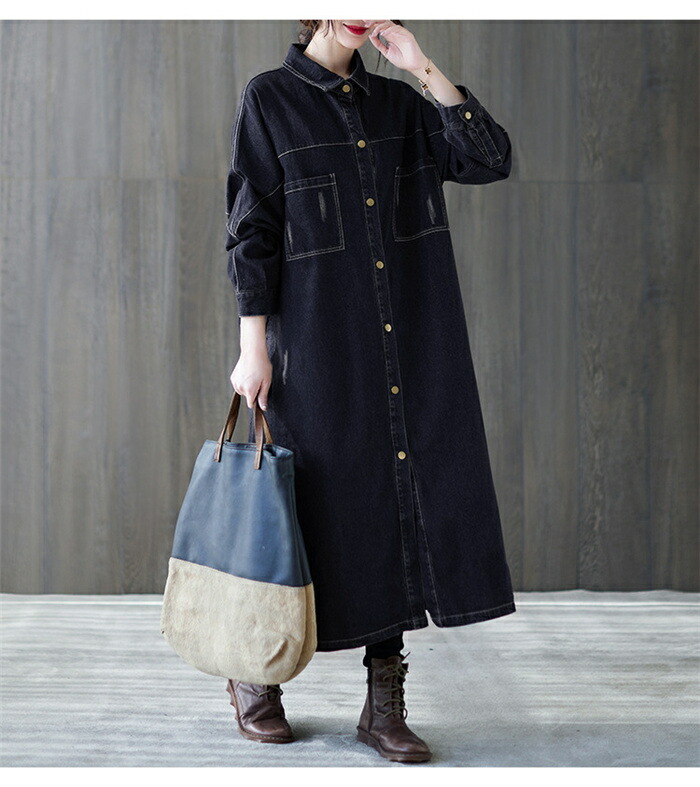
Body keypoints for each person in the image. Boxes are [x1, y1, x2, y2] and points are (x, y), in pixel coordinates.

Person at [224, 20, 516, 764]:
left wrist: (423, 68)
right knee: (297, 507)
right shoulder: (270, 100)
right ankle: (256, 671)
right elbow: (253, 229)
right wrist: (253, 349)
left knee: (395, 499)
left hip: (408, 342)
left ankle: (384, 699)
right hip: (316, 347)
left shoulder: (402, 105)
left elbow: (489, 158)